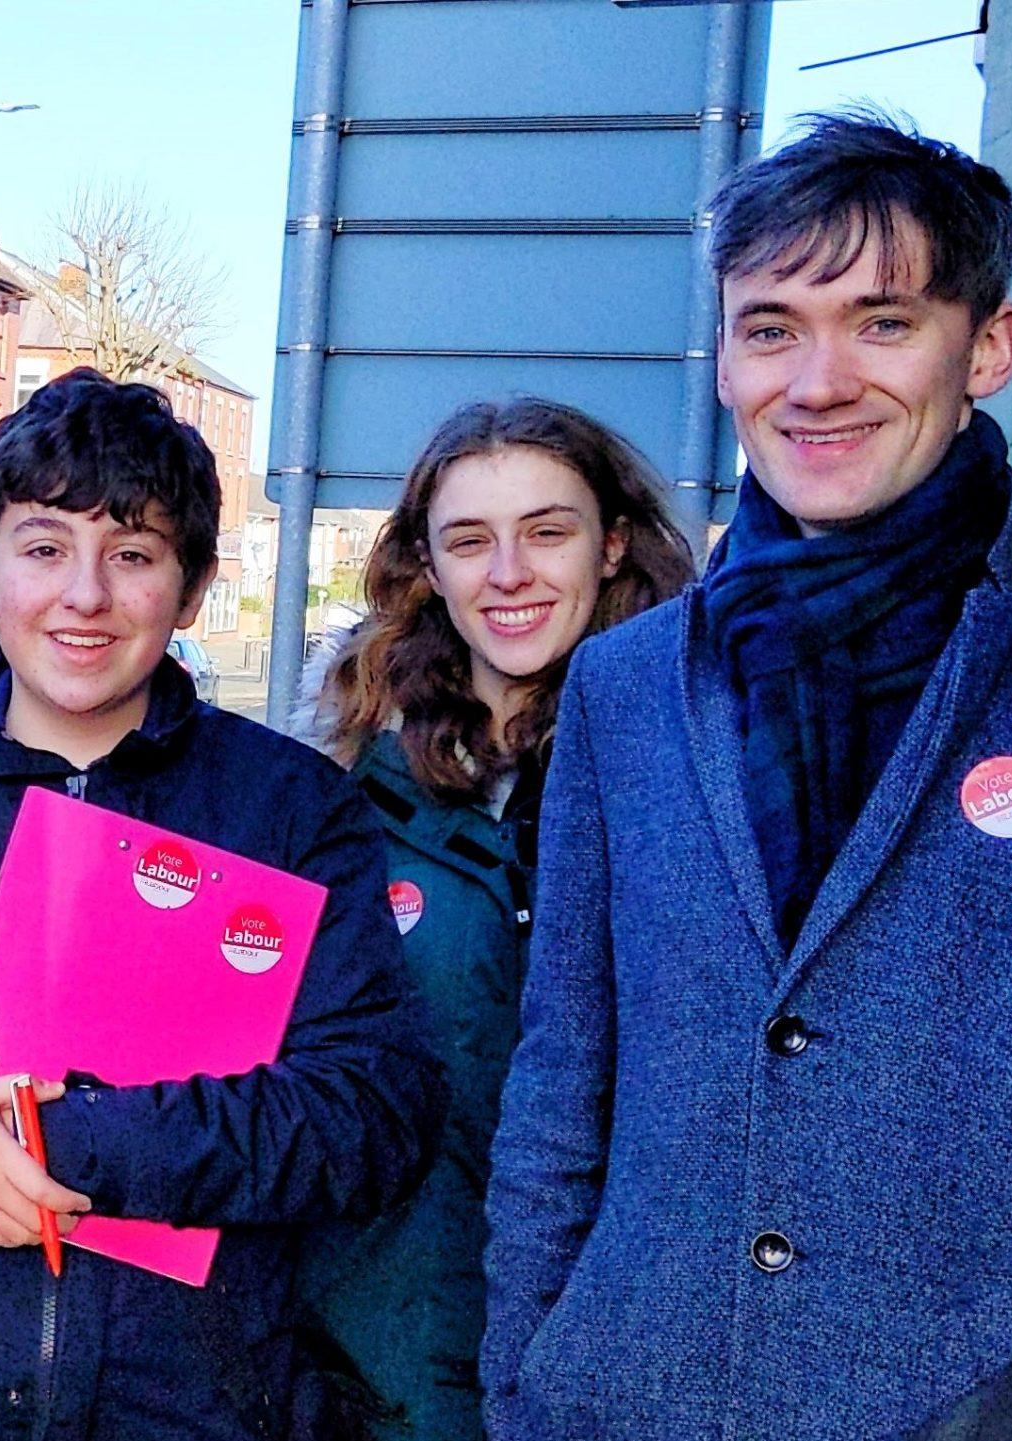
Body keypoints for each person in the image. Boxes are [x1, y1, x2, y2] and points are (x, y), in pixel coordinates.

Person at [0, 368, 444, 1441]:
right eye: (45, 547)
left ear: (190, 590)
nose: (84, 596)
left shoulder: (288, 807)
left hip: (191, 1413)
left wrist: (74, 1139)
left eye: (133, 554)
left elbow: (372, 1111)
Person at [480, 113, 1012, 1439]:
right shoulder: (628, 684)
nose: (819, 380)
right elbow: (564, 1075)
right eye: (771, 327)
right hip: (633, 1399)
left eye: (882, 322)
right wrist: (526, 1376)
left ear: (989, 348)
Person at [290, 398, 694, 1439]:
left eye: (546, 531)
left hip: (615, 1364)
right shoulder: (335, 785)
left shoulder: (698, 770)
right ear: (424, 565)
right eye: (469, 540)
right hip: (367, 1361)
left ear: (611, 545)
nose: (507, 572)